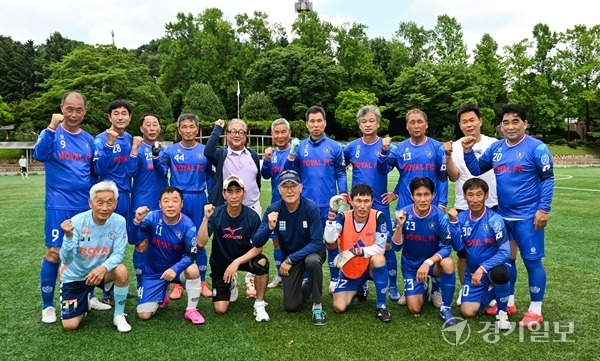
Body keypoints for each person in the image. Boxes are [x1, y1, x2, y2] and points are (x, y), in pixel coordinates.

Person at [462, 103, 554, 327]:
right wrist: (467, 151)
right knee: (507, 261)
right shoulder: (497, 149)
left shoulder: (537, 148)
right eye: (506, 122)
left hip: (528, 217)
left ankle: (535, 308)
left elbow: (548, 179)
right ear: (500, 126)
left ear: (525, 124)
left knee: (532, 261)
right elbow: (476, 170)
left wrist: (543, 209)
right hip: (503, 217)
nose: (510, 126)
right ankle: (509, 301)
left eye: (515, 121)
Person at [33, 91, 106, 324]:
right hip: (58, 204)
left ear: (85, 111)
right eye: (69, 109)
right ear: (61, 108)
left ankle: (88, 296)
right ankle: (47, 305)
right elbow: (39, 154)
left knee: (85, 253)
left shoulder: (89, 140)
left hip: (83, 206)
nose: (73, 114)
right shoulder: (52, 134)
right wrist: (51, 127)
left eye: (79, 110)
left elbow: (95, 173)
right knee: (54, 253)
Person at [378, 108, 448, 307]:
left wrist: (441, 203)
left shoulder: (437, 148)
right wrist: (384, 151)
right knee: (407, 245)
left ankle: (435, 290)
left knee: (434, 245)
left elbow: (442, 179)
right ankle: (412, 285)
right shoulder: (399, 148)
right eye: (412, 122)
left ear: (426, 124)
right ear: (407, 126)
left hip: (431, 206)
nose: (416, 126)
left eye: (419, 122)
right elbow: (384, 170)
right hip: (405, 206)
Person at [285, 105, 348, 293]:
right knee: (307, 242)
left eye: (319, 120)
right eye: (312, 121)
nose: (316, 124)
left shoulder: (335, 147)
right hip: (306, 205)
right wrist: (290, 154)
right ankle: (306, 278)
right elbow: (290, 173)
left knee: (331, 242)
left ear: (325, 123)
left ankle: (335, 280)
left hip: (330, 206)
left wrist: (343, 194)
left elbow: (341, 173)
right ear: (306, 124)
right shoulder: (300, 146)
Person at [252, 170, 327, 325]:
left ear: (301, 188)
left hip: (310, 253)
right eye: (285, 186)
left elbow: (317, 242)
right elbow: (257, 241)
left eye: (293, 185)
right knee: (291, 306)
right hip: (291, 257)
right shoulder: (274, 209)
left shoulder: (310, 207)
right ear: (279, 190)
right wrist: (269, 227)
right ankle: (308, 286)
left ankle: (317, 305)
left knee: (312, 261)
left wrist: (290, 259)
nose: (289, 190)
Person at [153, 114, 213, 299]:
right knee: (176, 242)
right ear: (179, 129)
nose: (188, 130)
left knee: (199, 242)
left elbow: (210, 176)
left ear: (197, 129)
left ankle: (202, 280)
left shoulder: (206, 151)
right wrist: (155, 157)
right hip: (177, 200)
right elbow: (161, 172)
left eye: (191, 127)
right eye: (184, 127)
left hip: (198, 198)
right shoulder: (170, 151)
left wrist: (211, 198)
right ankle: (177, 284)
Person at [59, 180, 131, 332]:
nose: (105, 208)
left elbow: (119, 253)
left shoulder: (119, 221)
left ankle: (119, 315)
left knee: (122, 270)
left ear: (115, 204)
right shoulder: (77, 222)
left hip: (101, 273)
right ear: (90, 203)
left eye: (109, 202)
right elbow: (66, 259)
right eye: (100, 202)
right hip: (76, 276)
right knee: (70, 325)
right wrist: (68, 236)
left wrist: (103, 268)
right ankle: (85, 300)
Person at [343, 105, 399, 302]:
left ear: (378, 123)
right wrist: (344, 191)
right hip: (356, 206)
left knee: (388, 246)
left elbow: (407, 171)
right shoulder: (351, 148)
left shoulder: (389, 148)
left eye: (371, 121)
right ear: (359, 125)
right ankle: (361, 282)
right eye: (364, 121)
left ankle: (392, 285)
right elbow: (339, 169)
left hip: (379, 205)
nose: (368, 124)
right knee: (358, 244)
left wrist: (396, 192)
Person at [444, 104, 498, 305]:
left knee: (489, 250)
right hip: (463, 205)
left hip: (491, 205)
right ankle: (465, 288)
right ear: (460, 124)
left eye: (472, 120)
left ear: (480, 121)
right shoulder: (455, 146)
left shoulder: (494, 144)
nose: (469, 124)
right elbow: (453, 176)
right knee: (463, 252)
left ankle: (490, 288)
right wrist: (448, 156)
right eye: (464, 121)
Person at [197, 176, 269, 322]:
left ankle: (260, 304)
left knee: (261, 263)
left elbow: (258, 248)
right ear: (224, 194)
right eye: (230, 192)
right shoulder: (216, 214)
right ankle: (231, 283)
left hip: (243, 260)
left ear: (244, 193)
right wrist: (205, 219)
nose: (234, 196)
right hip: (221, 263)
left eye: (238, 191)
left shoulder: (252, 216)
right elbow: (201, 243)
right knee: (220, 309)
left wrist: (236, 262)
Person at [130, 186, 205, 325]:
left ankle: (191, 310)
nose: (170, 205)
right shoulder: (152, 218)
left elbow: (191, 256)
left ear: (182, 204)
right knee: (143, 315)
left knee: (193, 270)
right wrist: (137, 221)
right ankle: (162, 291)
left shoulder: (188, 226)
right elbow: (133, 240)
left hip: (176, 271)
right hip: (153, 272)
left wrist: (174, 269)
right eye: (166, 201)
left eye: (175, 201)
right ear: (160, 204)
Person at [205, 118, 262, 298]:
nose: (237, 135)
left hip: (252, 207)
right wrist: (217, 128)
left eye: (241, 132)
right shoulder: (221, 154)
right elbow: (207, 150)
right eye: (233, 131)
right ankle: (231, 278)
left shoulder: (252, 154)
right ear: (227, 135)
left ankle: (251, 281)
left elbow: (256, 180)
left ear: (246, 136)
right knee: (230, 242)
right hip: (229, 208)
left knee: (252, 245)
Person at [447, 178, 511, 330]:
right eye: (470, 195)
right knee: (467, 312)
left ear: (486, 195)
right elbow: (458, 248)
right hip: (472, 272)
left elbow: (505, 252)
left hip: (490, 269)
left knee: (501, 273)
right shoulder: (461, 218)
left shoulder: (495, 219)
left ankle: (502, 313)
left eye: (479, 194)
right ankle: (492, 291)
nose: (475, 199)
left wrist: (482, 269)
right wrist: (454, 224)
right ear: (464, 196)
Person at [391, 177, 456, 325]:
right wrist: (400, 226)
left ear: (433, 195)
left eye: (426, 194)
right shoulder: (403, 214)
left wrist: (428, 262)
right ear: (412, 196)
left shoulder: (440, 217)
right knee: (414, 309)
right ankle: (423, 287)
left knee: (448, 263)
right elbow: (396, 247)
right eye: (418, 195)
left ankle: (442, 302)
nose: (423, 199)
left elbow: (447, 247)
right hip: (411, 266)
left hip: (432, 263)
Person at [324, 184, 392, 322]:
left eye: (366, 201)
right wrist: (331, 217)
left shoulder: (378, 216)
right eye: (358, 201)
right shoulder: (343, 217)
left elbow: (380, 248)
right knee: (339, 307)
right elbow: (330, 240)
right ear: (351, 201)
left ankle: (381, 306)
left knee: (379, 259)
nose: (362, 206)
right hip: (351, 269)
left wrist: (356, 251)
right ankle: (360, 289)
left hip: (369, 267)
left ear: (372, 202)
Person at [128, 113, 169, 292]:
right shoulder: (136, 147)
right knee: (142, 243)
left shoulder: (165, 150)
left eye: (155, 125)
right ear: (141, 128)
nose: (152, 128)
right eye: (148, 125)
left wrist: (156, 156)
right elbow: (129, 171)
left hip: (161, 202)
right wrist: (134, 151)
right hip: (141, 201)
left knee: (160, 243)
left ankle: (160, 283)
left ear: (159, 128)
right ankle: (141, 285)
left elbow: (162, 173)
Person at [261, 118, 294, 288]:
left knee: (295, 240)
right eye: (276, 132)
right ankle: (280, 274)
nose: (280, 135)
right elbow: (265, 175)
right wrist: (266, 160)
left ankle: (297, 274)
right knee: (276, 241)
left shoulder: (295, 152)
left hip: (294, 205)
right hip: (276, 204)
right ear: (272, 135)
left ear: (289, 133)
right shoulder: (272, 154)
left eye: (283, 132)